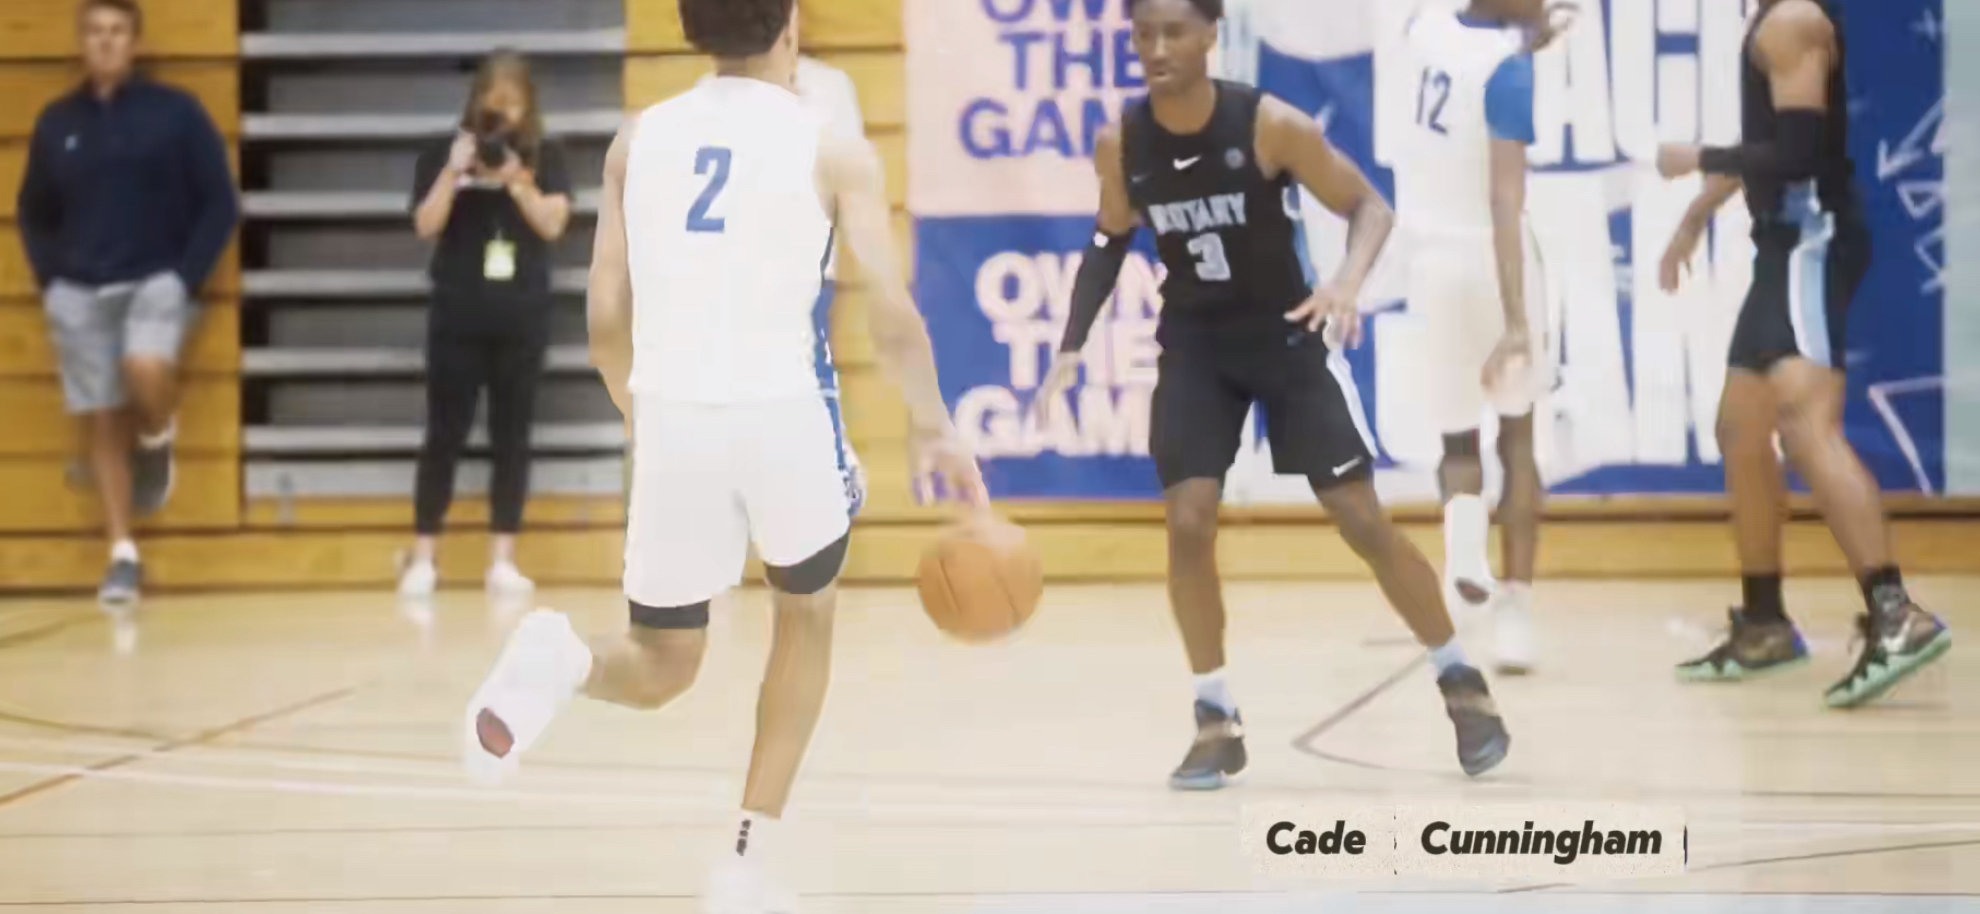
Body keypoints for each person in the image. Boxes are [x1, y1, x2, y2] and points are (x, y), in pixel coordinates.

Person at [461, 3, 985, 913]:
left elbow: (605, 319)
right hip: (783, 415)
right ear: (790, 26)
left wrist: (643, 412)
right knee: (806, 616)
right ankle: (746, 857)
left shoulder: (637, 140)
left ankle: (565, 660)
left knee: (663, 662)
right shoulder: (833, 146)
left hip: (674, 416)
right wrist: (933, 422)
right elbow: (891, 312)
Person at [1038, 0, 1510, 788]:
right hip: (1197, 347)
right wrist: (1070, 344)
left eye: (1173, 31)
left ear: (1210, 34)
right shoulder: (1122, 140)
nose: (1156, 48)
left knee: (1360, 519)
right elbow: (1110, 237)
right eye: (1143, 34)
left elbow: (1370, 207)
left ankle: (1460, 679)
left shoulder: (1268, 125)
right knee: (1188, 521)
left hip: (1286, 336)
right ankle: (1214, 716)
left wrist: (1346, 284)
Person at [1656, 0, 1950, 707]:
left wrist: (1698, 160)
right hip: (1783, 250)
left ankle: (1896, 614)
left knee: (1805, 423)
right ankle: (1764, 624)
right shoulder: (1776, 20)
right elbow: (1776, 140)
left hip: (1810, 244)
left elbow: (1798, 156)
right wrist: (1697, 213)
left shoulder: (1792, 21)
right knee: (1741, 428)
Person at [17, 0, 239, 606]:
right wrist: (52, 280)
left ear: (135, 42)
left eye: (117, 31)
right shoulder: (57, 122)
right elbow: (34, 212)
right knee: (104, 419)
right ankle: (122, 556)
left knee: (144, 369)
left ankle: (159, 435)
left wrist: (185, 278)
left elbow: (220, 202)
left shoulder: (176, 113)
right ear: (81, 42)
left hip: (154, 281)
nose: (106, 41)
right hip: (79, 291)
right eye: (95, 31)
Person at [1394, 0, 1571, 673]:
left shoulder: (1423, 29)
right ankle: (1515, 612)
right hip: (1493, 264)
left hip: (1430, 262)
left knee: (1457, 440)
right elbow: (1504, 197)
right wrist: (1518, 319)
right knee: (1518, 437)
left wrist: (1528, 30)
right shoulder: (1509, 68)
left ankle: (1464, 562)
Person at [398, 51, 574, 599]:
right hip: (456, 314)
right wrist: (454, 172)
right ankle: (424, 555)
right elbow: (425, 225)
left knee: (512, 436)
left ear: (528, 107)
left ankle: (503, 558)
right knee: (443, 434)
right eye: (493, 108)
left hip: (521, 315)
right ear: (476, 104)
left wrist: (517, 180)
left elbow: (554, 223)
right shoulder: (444, 152)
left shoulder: (545, 154)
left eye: (511, 107)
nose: (502, 120)